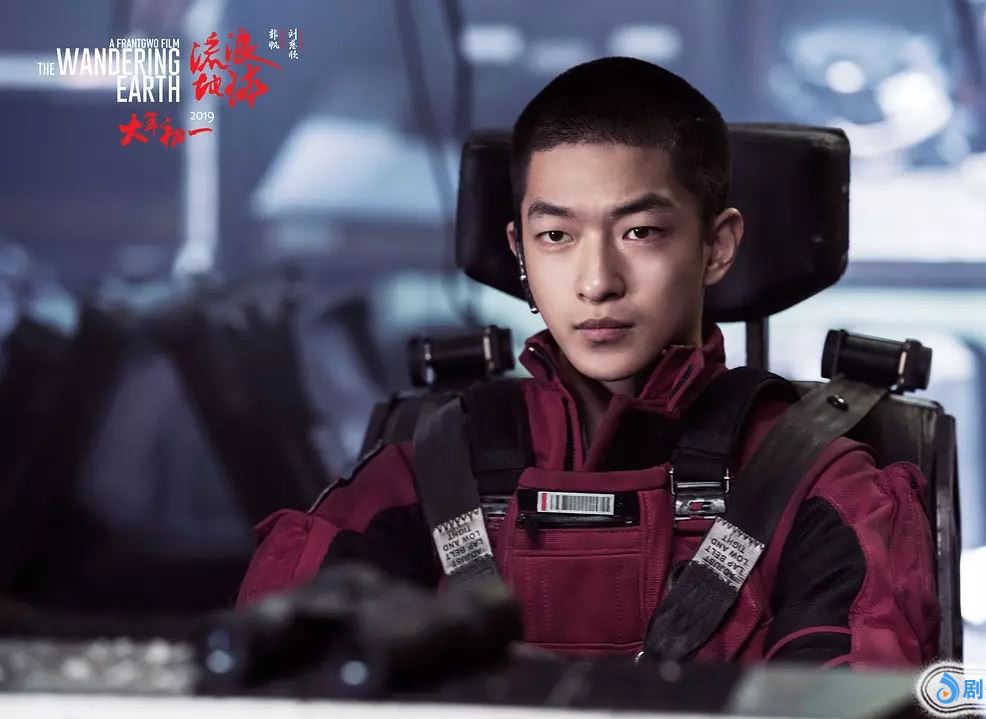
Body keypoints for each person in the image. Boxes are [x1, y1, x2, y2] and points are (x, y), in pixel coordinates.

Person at [236, 57, 939, 668]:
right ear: (519, 251)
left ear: (717, 246)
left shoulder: (818, 487)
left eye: (641, 231)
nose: (597, 280)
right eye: (556, 235)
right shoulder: (421, 476)